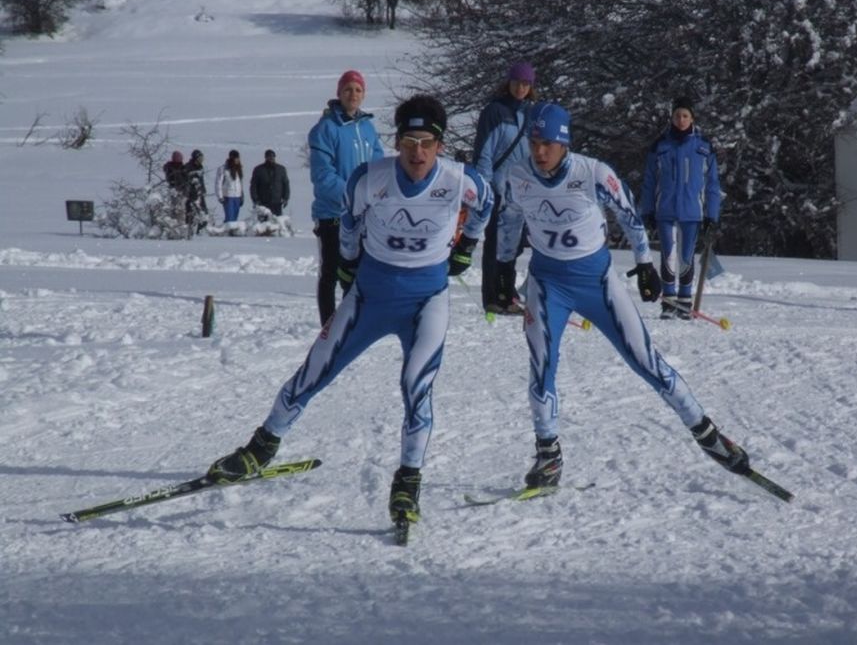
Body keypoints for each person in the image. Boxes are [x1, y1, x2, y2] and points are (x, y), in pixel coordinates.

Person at [207, 94, 493, 532]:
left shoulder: (459, 180)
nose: (417, 153)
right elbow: (350, 222)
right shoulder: (370, 177)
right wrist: (348, 261)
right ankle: (260, 448)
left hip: (426, 301)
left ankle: (408, 480)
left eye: (427, 143)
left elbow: (486, 206)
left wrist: (466, 249)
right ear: (396, 142)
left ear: (440, 145)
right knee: (313, 370)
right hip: (371, 297)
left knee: (416, 388)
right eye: (409, 141)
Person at [495, 102, 749, 489]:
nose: (540, 151)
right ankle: (548, 455)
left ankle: (706, 431)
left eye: (547, 143)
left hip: (596, 282)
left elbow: (629, 215)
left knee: (645, 360)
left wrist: (645, 265)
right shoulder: (518, 176)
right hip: (547, 284)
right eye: (534, 142)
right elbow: (510, 220)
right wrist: (502, 268)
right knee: (541, 365)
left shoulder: (592, 172)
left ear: (564, 143)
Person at [308, 69, 385, 326]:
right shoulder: (325, 129)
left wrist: (377, 196)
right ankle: (328, 325)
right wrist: (353, 197)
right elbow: (323, 176)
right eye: (348, 89)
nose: (353, 94)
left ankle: (353, 321)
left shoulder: (368, 128)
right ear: (339, 93)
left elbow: (378, 168)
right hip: (333, 213)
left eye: (358, 90)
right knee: (331, 271)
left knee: (357, 271)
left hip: (364, 215)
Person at [640, 96, 722, 320]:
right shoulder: (660, 145)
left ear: (692, 118)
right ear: (672, 117)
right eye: (677, 115)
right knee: (668, 256)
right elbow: (649, 181)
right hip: (665, 210)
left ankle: (685, 302)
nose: (681, 120)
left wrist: (712, 215)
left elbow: (713, 184)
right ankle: (668, 301)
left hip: (692, 212)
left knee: (686, 257)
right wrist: (646, 210)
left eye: (685, 115)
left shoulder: (704, 146)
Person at [472, 61, 536, 315]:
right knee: (495, 243)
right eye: (518, 82)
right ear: (508, 82)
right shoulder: (495, 112)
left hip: (520, 191)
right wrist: (485, 186)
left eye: (526, 84)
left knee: (513, 245)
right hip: (497, 187)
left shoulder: (530, 113)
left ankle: (506, 293)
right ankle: (492, 296)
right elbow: (484, 150)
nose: (521, 88)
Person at [250, 149, 291, 216]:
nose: (271, 158)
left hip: (277, 202)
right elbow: (253, 186)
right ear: (266, 158)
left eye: (273, 156)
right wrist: (255, 199)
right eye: (269, 157)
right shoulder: (259, 170)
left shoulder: (281, 169)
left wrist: (286, 198)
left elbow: (286, 184)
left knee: (277, 222)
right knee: (263, 223)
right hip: (263, 202)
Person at [215, 149, 245, 225]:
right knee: (229, 219)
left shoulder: (239, 169)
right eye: (236, 158)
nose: (238, 160)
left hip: (237, 197)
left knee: (235, 218)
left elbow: (240, 184)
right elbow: (218, 183)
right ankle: (227, 233)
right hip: (228, 196)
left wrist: (242, 196)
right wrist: (220, 196)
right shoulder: (223, 169)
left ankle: (232, 233)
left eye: (238, 158)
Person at [183, 149, 208, 234]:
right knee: (191, 213)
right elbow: (186, 178)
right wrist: (193, 175)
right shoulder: (188, 166)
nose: (201, 160)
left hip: (200, 193)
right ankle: (189, 230)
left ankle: (200, 231)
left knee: (204, 212)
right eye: (200, 158)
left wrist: (203, 189)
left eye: (202, 158)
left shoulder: (200, 167)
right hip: (191, 194)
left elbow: (201, 180)